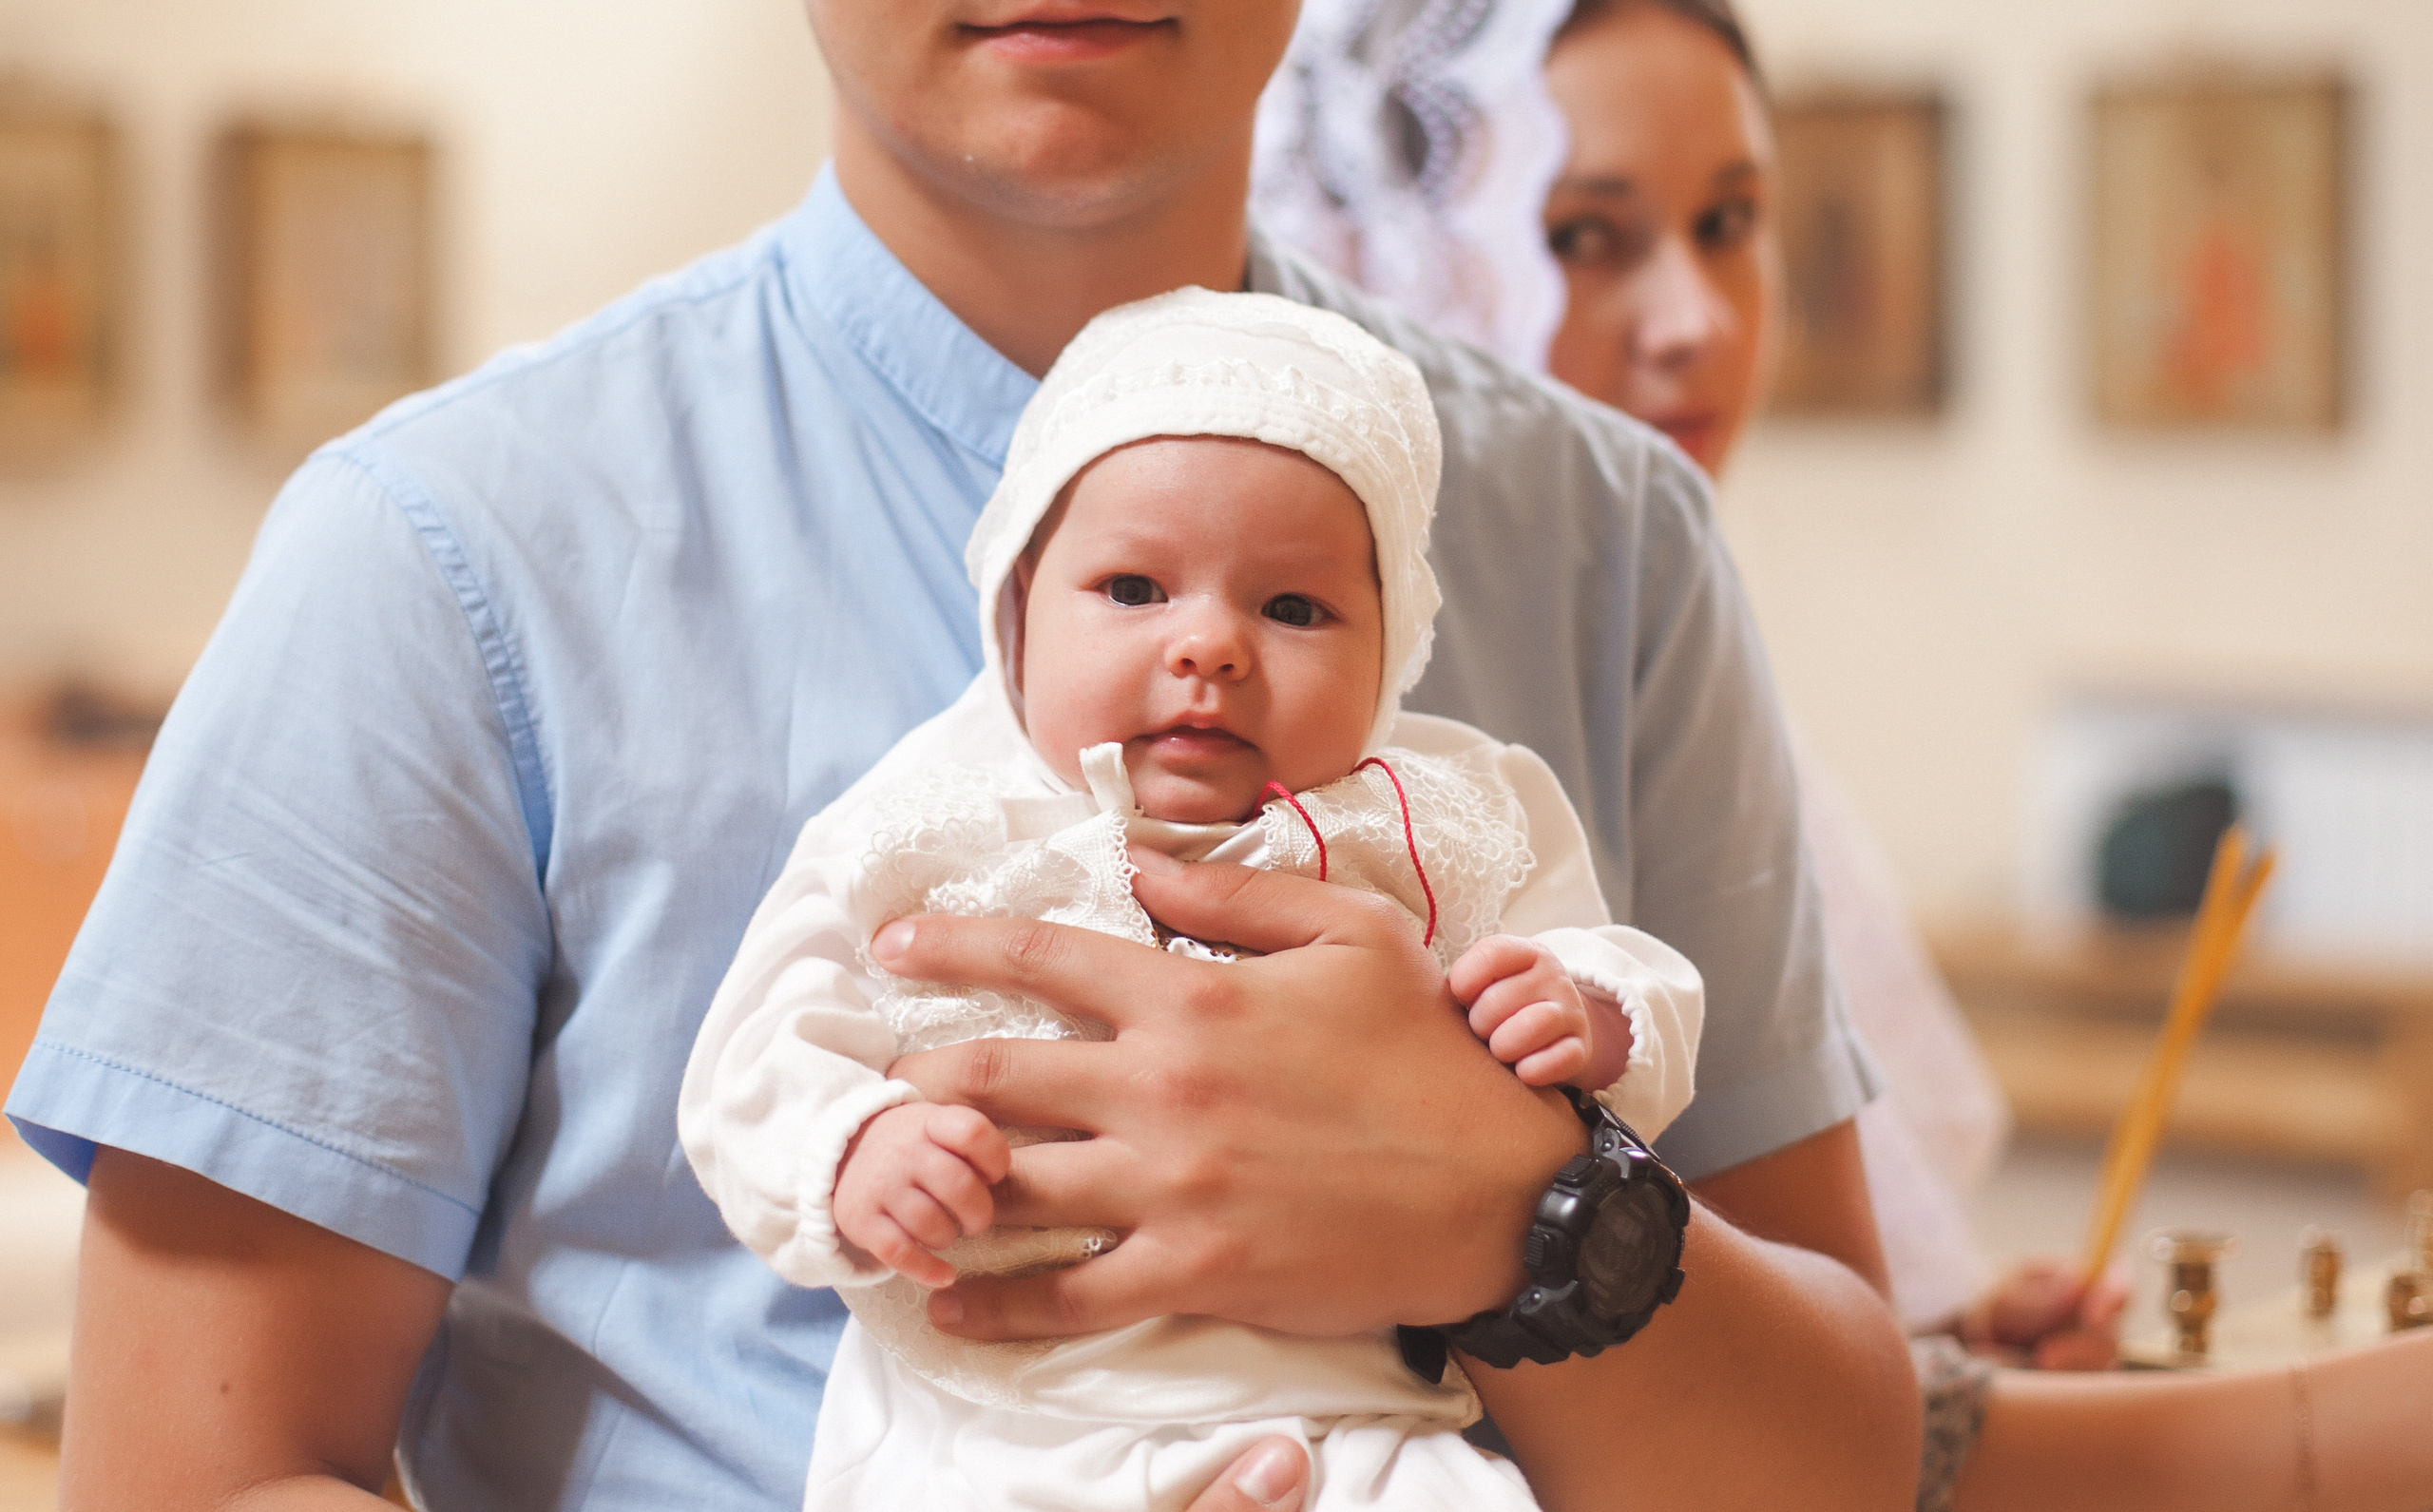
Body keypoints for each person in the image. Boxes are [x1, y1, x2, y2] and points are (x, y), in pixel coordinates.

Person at [7, 5, 1919, 1509]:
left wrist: (1513, 1209)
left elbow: (1837, 1465)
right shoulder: (436, 562)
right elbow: (201, 1477)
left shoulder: (1611, 546)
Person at [1257, 0, 2433, 1506]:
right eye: (1586, 237)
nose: (1692, 316)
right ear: (1405, 253)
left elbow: (1821, 1361)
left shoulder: (1682, 652)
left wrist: (1942, 1345)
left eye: (1733, 221)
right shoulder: (1306, 754)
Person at [686, 287, 1704, 1510]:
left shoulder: (1450, 819)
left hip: (1347, 1425)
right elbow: (762, 1039)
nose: (1210, 645)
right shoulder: (926, 822)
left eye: (1292, 607)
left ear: (1395, 648)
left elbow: (1635, 989)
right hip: (995, 1425)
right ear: (1014, 613)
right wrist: (853, 1148)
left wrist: (1588, 1011)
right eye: (1131, 588)